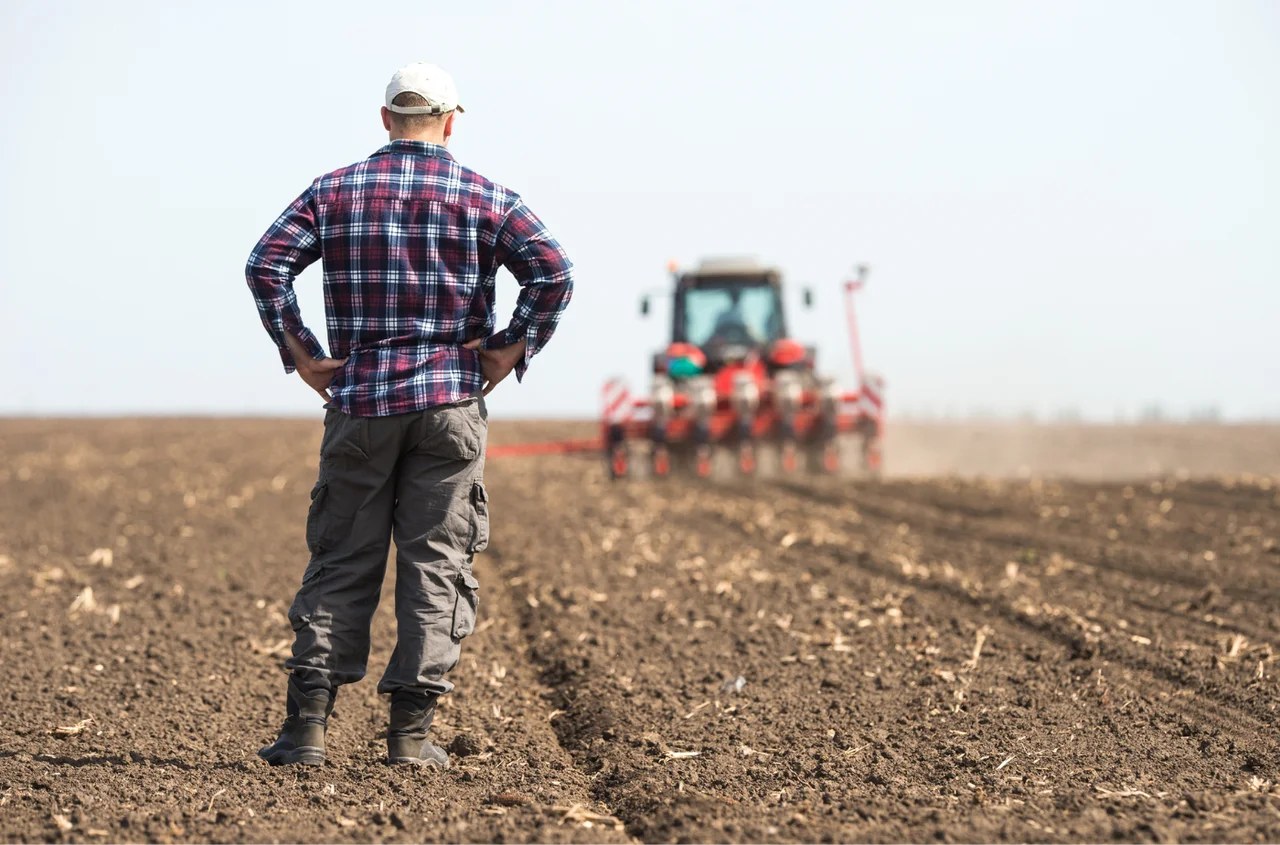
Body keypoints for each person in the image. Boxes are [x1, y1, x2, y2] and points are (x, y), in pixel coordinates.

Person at [244, 62, 573, 768]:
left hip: (360, 402)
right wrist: (511, 346)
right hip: (450, 404)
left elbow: (266, 263)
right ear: (452, 122)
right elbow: (554, 271)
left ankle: (306, 733)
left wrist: (301, 353)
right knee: (437, 564)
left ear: (385, 119)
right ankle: (410, 737)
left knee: (341, 559)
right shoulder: (487, 197)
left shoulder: (333, 192)